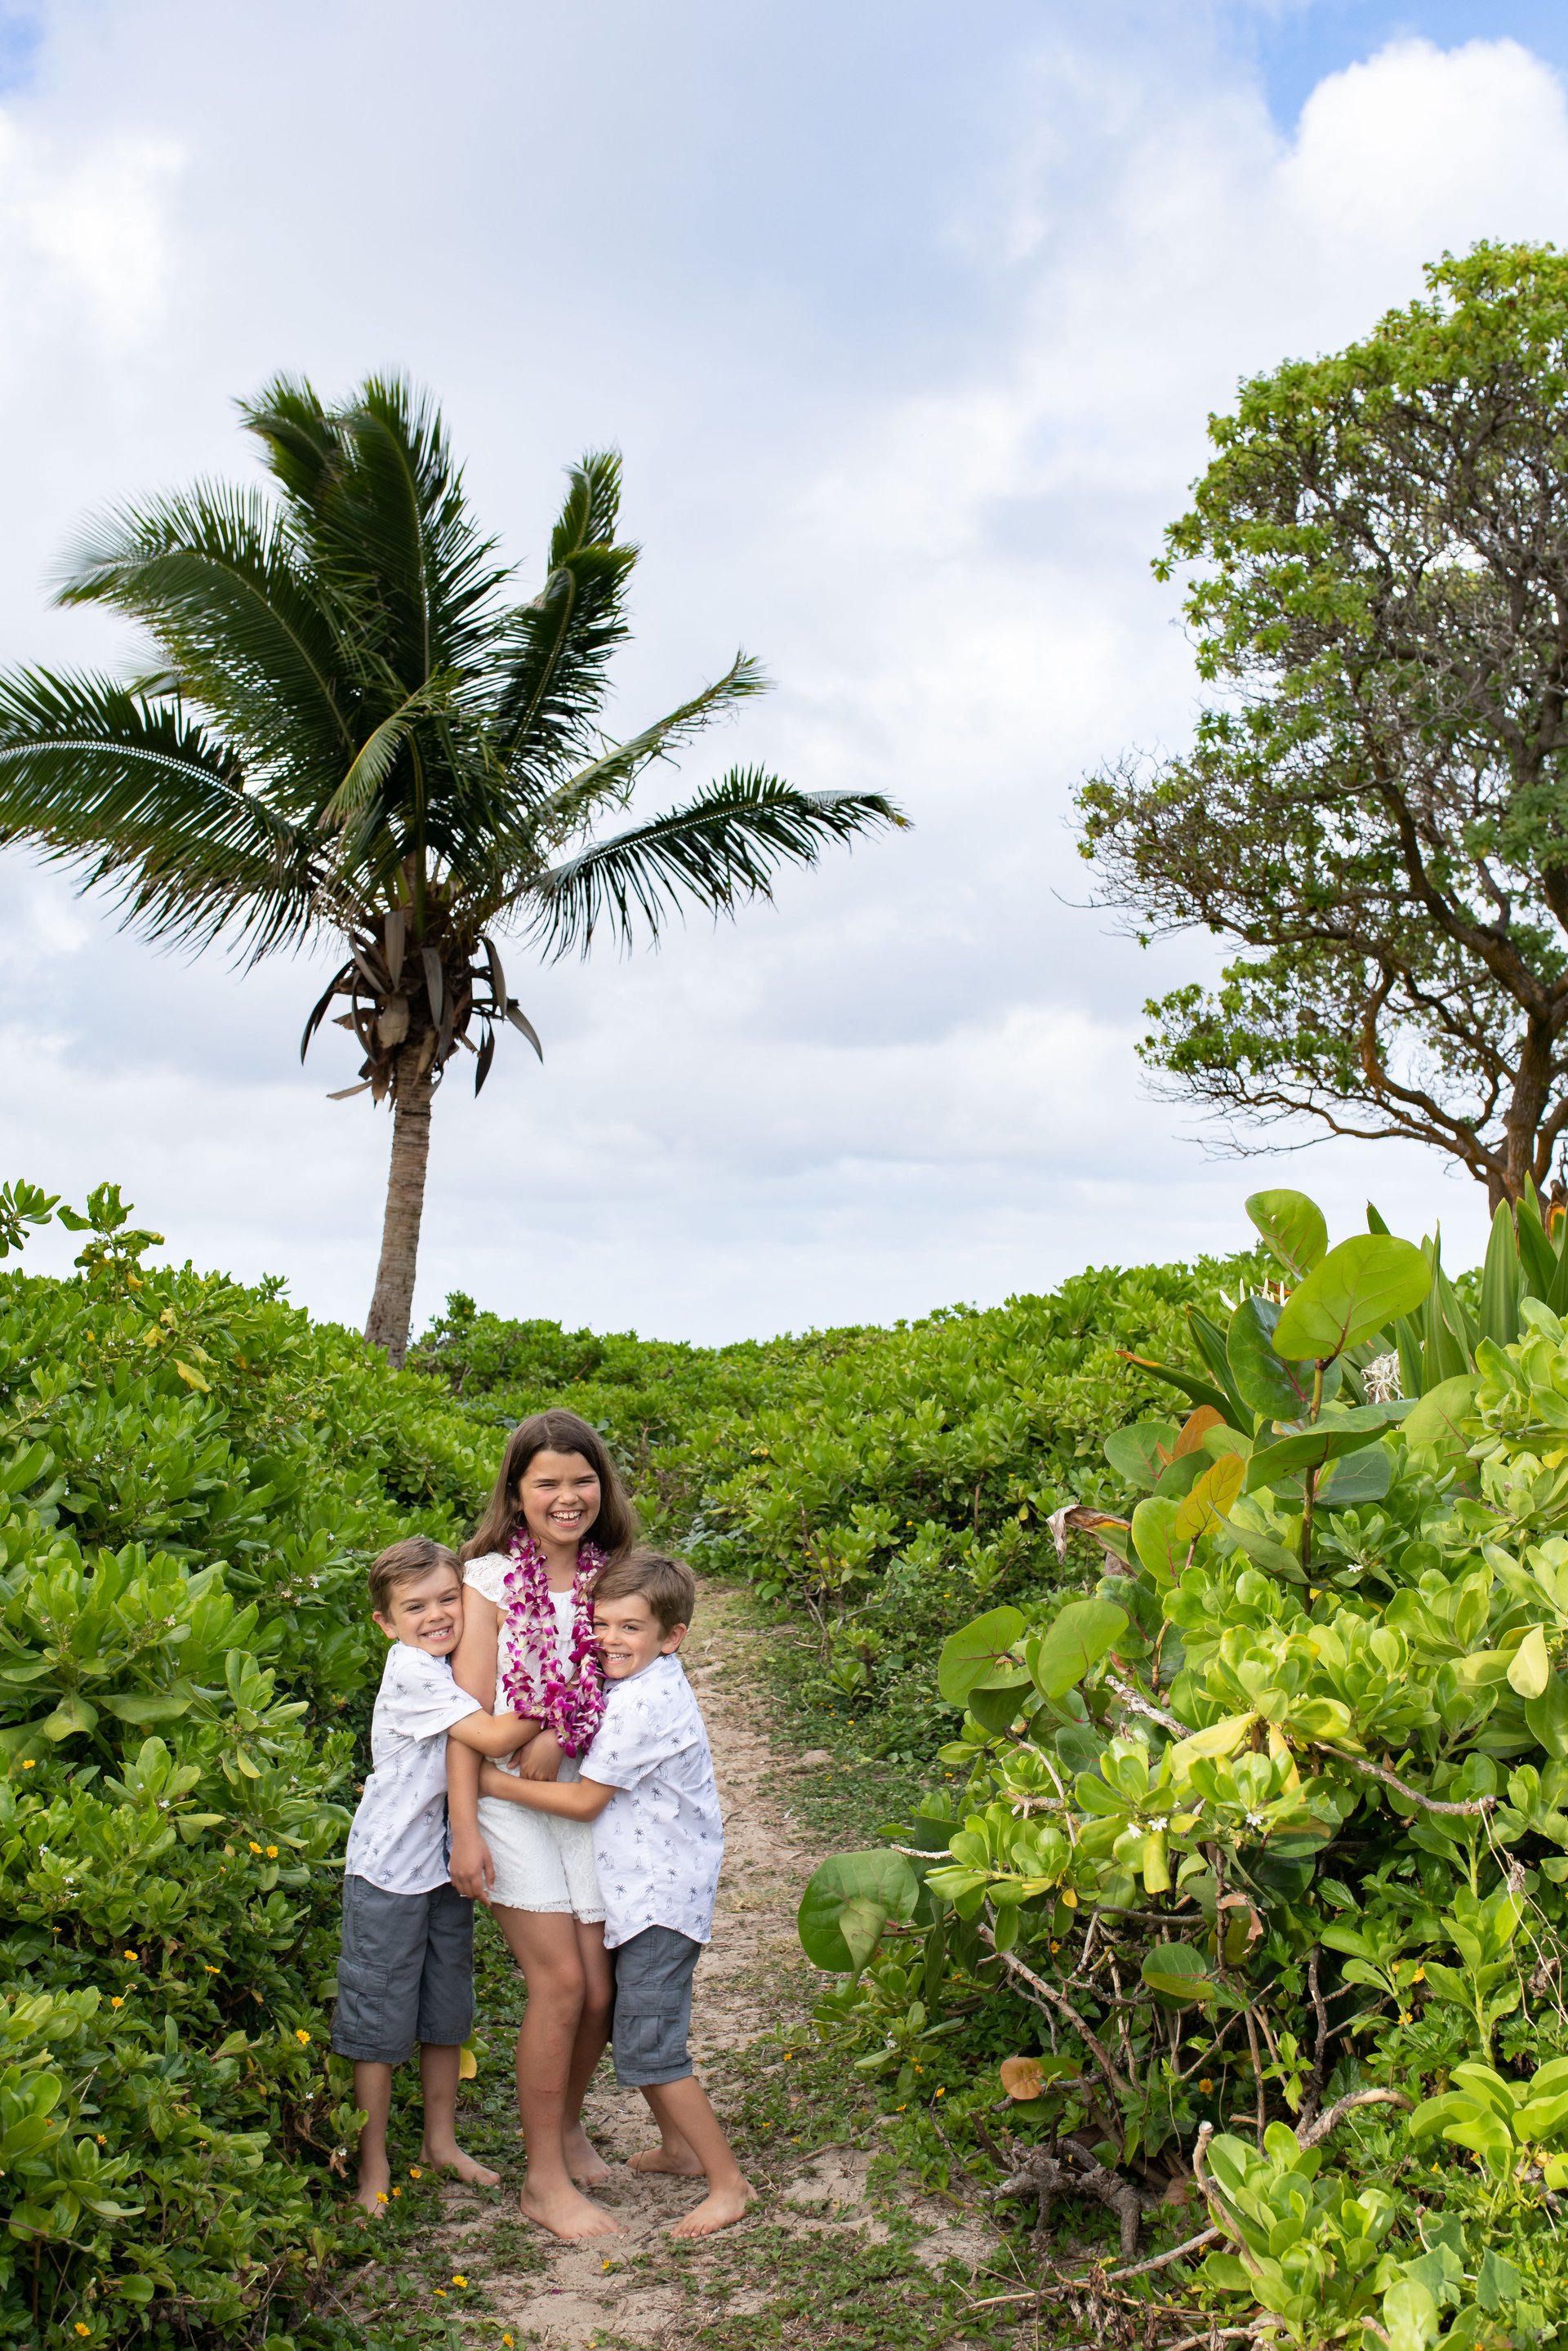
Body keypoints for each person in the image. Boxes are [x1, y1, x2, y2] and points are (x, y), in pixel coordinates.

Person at [478, 1547, 754, 2240]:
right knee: (643, 2021)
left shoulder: (644, 1703)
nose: (608, 1639)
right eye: (600, 1624)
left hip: (659, 1899)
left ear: (672, 1635)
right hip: (653, 1889)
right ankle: (681, 2149)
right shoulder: (645, 1681)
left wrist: (493, 1783)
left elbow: (586, 1801)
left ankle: (728, 2181)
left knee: (652, 2048)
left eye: (630, 1627)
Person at [448, 1409, 637, 2242]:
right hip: (504, 1802)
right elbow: (461, 1716)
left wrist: (564, 1728)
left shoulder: (620, 1575)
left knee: (602, 1988)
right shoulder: (484, 1578)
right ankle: (543, 2180)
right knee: (559, 1984)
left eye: (582, 1478)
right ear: (517, 1493)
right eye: (548, 1482)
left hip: (590, 1799)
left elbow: (628, 1688)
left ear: (604, 1484)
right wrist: (465, 1826)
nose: (568, 1496)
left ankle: (565, 2121)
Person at [332, 1536, 537, 2215]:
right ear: (387, 1623)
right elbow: (494, 1737)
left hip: (442, 1870)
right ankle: (374, 2165)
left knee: (446, 2013)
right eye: (414, 1607)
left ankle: (441, 2142)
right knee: (379, 2022)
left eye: (450, 1598)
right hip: (389, 1872)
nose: (437, 1615)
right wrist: (559, 1690)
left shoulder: (454, 1663)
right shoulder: (413, 1670)